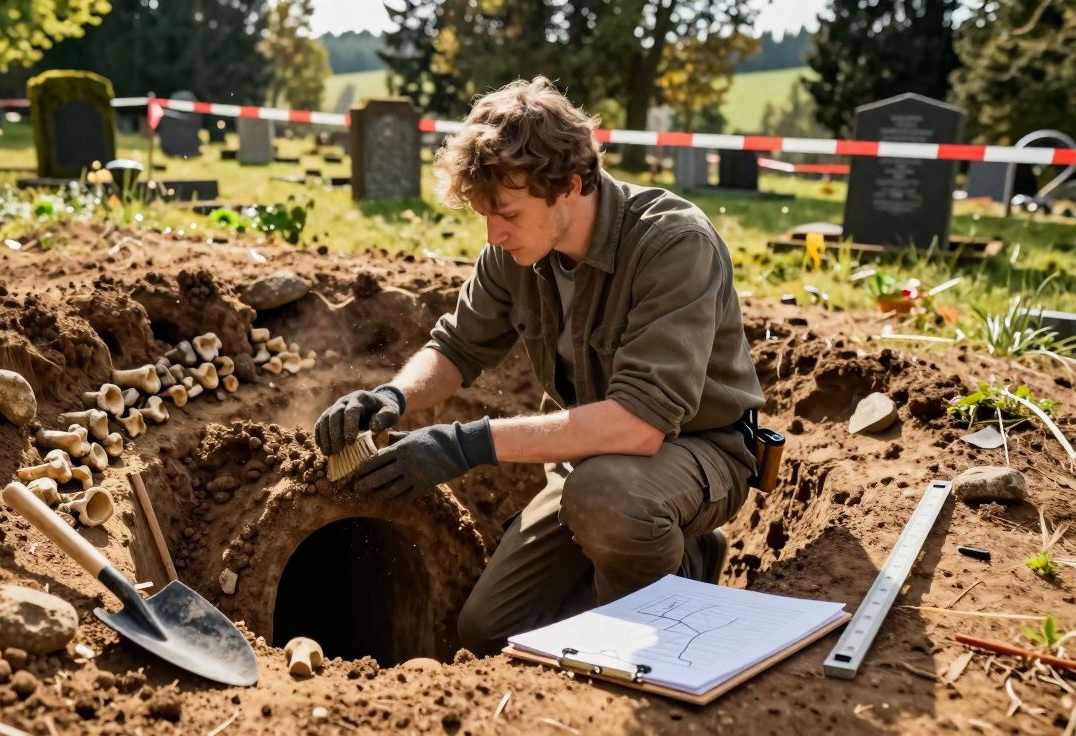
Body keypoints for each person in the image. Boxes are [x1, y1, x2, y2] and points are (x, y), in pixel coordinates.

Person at [312, 77, 764, 656]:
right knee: (490, 631)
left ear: (570, 186)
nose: (493, 233)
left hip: (700, 451)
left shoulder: (672, 245)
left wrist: (462, 445)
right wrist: (392, 398)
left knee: (607, 499)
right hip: (591, 460)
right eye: (483, 214)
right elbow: (457, 347)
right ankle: (665, 561)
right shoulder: (515, 251)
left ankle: (661, 630)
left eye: (507, 213)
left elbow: (638, 425)